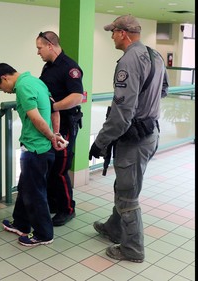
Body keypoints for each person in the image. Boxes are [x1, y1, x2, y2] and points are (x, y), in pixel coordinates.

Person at [89, 15, 169, 263]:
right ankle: (114, 228)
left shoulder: (129, 60)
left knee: (128, 195)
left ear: (123, 33)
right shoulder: (154, 55)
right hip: (150, 132)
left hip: (134, 138)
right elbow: (164, 89)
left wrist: (100, 142)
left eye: (113, 32)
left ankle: (132, 249)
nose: (111, 36)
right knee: (125, 185)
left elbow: (123, 113)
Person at [0, 63, 68, 246]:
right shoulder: (36, 81)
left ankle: (43, 234)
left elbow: (36, 118)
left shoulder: (23, 87)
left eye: (1, 88)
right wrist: (55, 135)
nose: (4, 92)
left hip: (35, 149)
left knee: (35, 193)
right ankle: (21, 223)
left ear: (4, 78)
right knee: (26, 187)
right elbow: (54, 110)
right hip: (41, 147)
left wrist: (51, 137)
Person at [36, 31, 84, 226]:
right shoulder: (48, 67)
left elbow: (76, 97)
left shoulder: (70, 67)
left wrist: (53, 107)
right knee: (51, 166)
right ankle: (54, 204)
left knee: (60, 169)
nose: (37, 52)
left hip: (65, 123)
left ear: (50, 45)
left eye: (39, 48)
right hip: (51, 124)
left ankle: (67, 209)